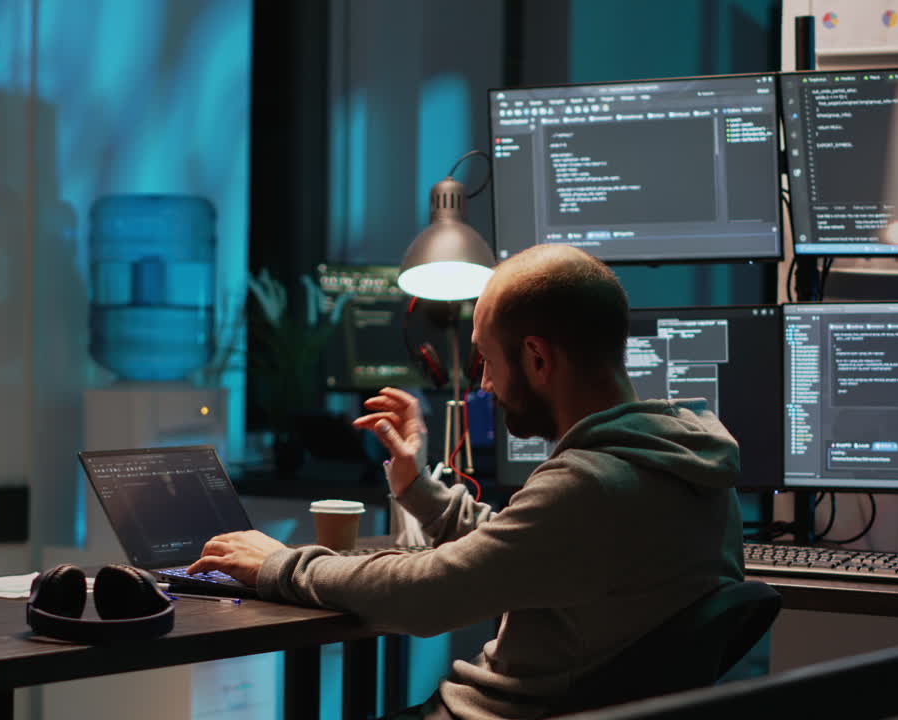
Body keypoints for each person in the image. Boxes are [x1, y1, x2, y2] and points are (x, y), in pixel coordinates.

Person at [187, 245, 744, 720]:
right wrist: (419, 489)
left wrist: (278, 564)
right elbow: (525, 545)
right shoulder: (688, 466)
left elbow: (426, 595)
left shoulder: (593, 484)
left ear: (536, 358)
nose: (483, 383)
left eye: (486, 359)